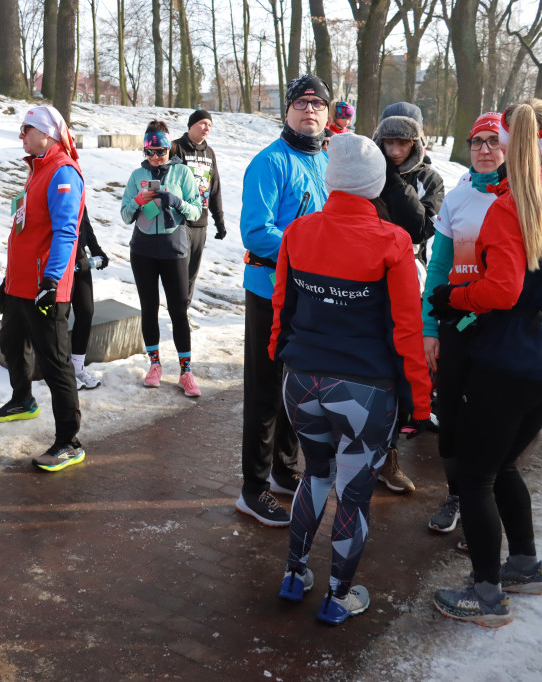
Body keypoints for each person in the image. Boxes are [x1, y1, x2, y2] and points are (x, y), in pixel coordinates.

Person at [271, 133, 432, 625]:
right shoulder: (393, 241)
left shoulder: (298, 232)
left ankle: (295, 575)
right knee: (354, 492)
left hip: (301, 381)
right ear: (376, 182)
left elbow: (283, 308)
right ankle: (339, 596)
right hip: (364, 390)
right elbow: (408, 328)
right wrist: (419, 404)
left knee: (314, 474)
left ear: (331, 179)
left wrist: (282, 357)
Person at [430, 99, 542, 627]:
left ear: (512, 143)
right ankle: (525, 565)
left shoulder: (510, 206)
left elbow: (500, 288)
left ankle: (487, 595)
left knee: (474, 476)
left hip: (511, 352)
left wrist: (455, 295)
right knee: (504, 463)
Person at [236, 74, 331, 527]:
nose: (309, 110)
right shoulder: (270, 162)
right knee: (265, 389)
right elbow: (256, 231)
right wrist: (309, 254)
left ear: (328, 115)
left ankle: (284, 469)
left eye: (318, 104)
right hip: (269, 292)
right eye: (300, 103)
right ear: (287, 111)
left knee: (298, 387)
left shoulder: (328, 161)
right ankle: (252, 488)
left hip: (311, 293)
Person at [0, 105, 86, 472]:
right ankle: (22, 399)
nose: (21, 135)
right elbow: (27, 232)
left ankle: (69, 441)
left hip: (44, 289)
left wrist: (50, 280)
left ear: (46, 133)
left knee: (55, 363)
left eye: (26, 128)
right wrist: (7, 282)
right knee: (11, 344)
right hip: (21, 286)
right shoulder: (38, 170)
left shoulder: (62, 172)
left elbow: (65, 232)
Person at [421, 112, 504, 536]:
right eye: (477, 142)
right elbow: (438, 267)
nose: (485, 150)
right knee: (449, 418)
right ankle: (456, 494)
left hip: (501, 328)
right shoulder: (458, 197)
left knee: (489, 423)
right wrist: (430, 329)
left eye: (494, 141)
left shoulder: (520, 197)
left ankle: (484, 506)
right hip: (456, 323)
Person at [372, 100, 447, 493]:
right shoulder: (368, 169)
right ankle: (362, 449)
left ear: (416, 140)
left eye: (402, 142)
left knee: (402, 366)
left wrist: (390, 177)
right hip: (364, 281)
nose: (394, 150)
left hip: (408, 283)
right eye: (387, 141)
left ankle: (389, 453)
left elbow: (421, 228)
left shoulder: (430, 179)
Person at [120, 121, 204, 397]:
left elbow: (196, 212)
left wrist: (177, 202)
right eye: (150, 152)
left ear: (170, 149)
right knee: (149, 308)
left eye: (161, 151)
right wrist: (139, 201)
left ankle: (186, 371)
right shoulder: (136, 175)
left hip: (174, 249)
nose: (156, 157)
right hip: (142, 250)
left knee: (178, 310)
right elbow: (124, 215)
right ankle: (154, 364)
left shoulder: (183, 173)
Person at [173, 109, 227, 320]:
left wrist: (219, 221)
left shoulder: (210, 153)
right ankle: (177, 313)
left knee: (191, 274)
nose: (207, 128)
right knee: (180, 271)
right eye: (203, 123)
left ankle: (182, 315)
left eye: (210, 125)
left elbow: (215, 189)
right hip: (179, 221)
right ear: (192, 124)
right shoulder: (177, 148)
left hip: (200, 222)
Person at [71, 206, 109, 390]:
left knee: (86, 312)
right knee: (59, 316)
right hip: (60, 259)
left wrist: (95, 249)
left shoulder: (77, 181)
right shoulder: (59, 180)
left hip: (80, 260)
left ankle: (77, 367)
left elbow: (83, 221)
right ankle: (61, 370)